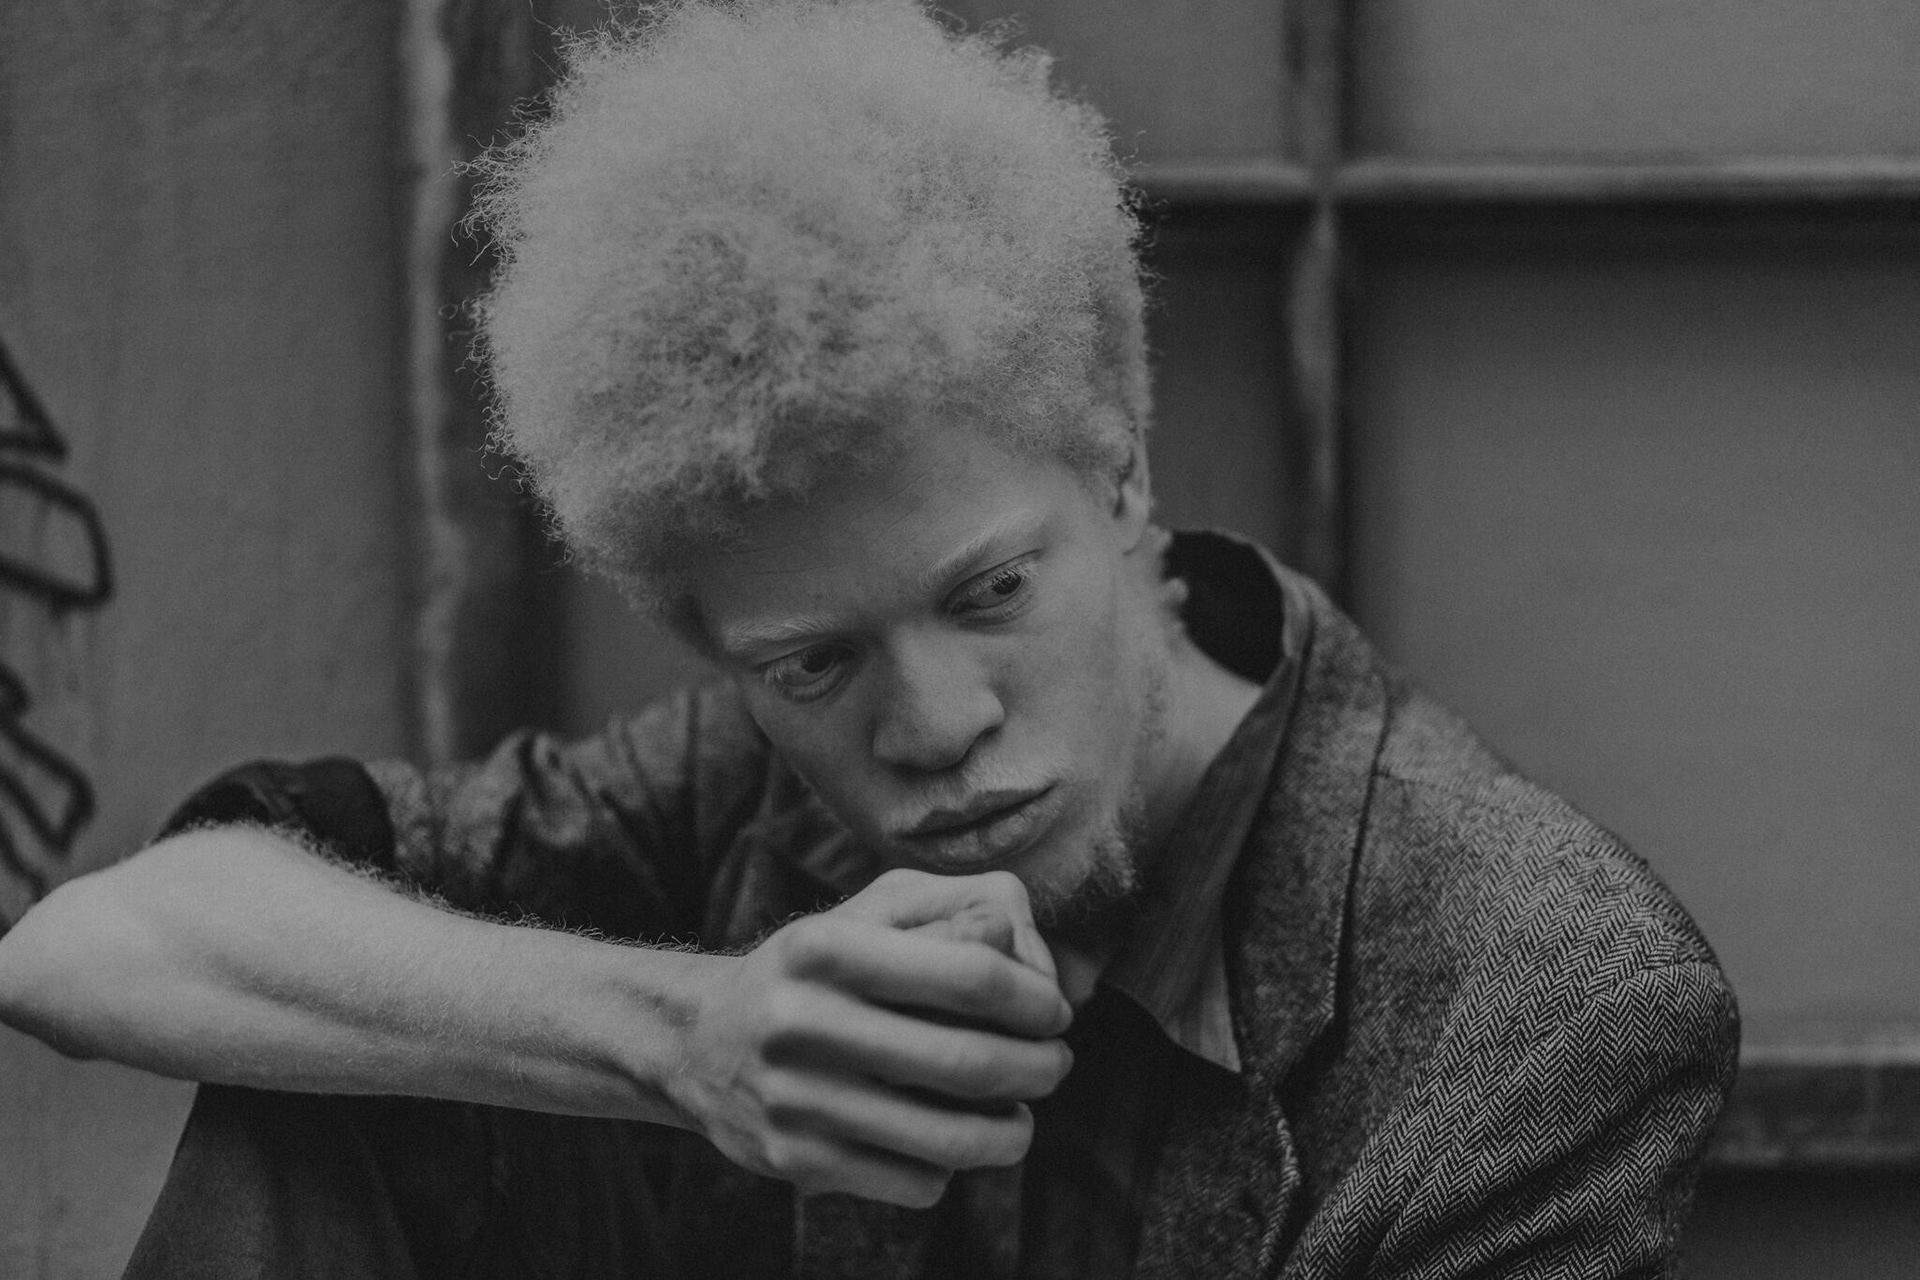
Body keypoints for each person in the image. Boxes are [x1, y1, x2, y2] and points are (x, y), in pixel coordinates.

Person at [0, 2, 1738, 1276]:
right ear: (712, 643)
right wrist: (677, 1040)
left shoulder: (1541, 1003)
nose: (932, 726)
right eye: (813, 664)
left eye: (990, 592)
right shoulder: (734, 790)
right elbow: (84, 948)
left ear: (1123, 470)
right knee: (335, 1060)